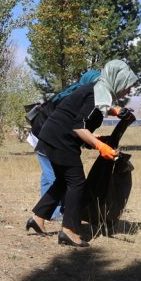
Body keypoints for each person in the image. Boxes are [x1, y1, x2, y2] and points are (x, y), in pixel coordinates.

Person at [25, 60, 138, 247]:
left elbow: (83, 119)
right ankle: (69, 231)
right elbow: (79, 127)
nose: (128, 90)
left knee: (63, 181)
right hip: (61, 139)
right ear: (117, 80)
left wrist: (109, 123)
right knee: (77, 183)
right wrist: (100, 147)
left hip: (53, 136)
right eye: (127, 85)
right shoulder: (96, 93)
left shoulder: (98, 92)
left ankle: (37, 219)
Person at [26, 69, 101, 223]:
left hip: (49, 137)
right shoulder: (76, 96)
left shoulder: (79, 94)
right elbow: (68, 125)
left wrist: (90, 138)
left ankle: (42, 216)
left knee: (54, 175)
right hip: (45, 137)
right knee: (54, 176)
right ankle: (54, 214)